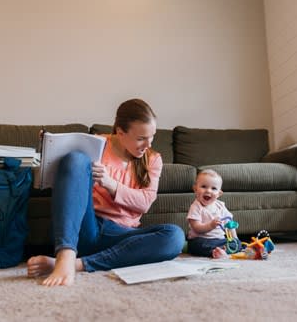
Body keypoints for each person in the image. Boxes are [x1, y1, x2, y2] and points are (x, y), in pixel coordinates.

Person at [27, 98, 185, 286]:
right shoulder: (96, 145)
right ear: (120, 132)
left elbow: (145, 202)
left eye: (152, 137)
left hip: (120, 238)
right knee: (76, 159)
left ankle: (77, 264)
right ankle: (65, 254)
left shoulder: (153, 159)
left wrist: (110, 184)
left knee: (174, 236)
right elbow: (69, 184)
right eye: (141, 138)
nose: (148, 144)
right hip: (85, 228)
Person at [186, 169, 235, 259]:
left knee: (235, 243)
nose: (208, 191)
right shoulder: (196, 207)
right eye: (204, 186)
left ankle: (223, 249)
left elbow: (229, 224)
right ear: (195, 189)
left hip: (219, 240)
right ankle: (216, 251)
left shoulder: (221, 206)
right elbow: (196, 227)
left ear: (219, 194)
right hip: (201, 240)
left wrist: (235, 239)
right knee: (196, 246)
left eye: (213, 188)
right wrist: (210, 225)